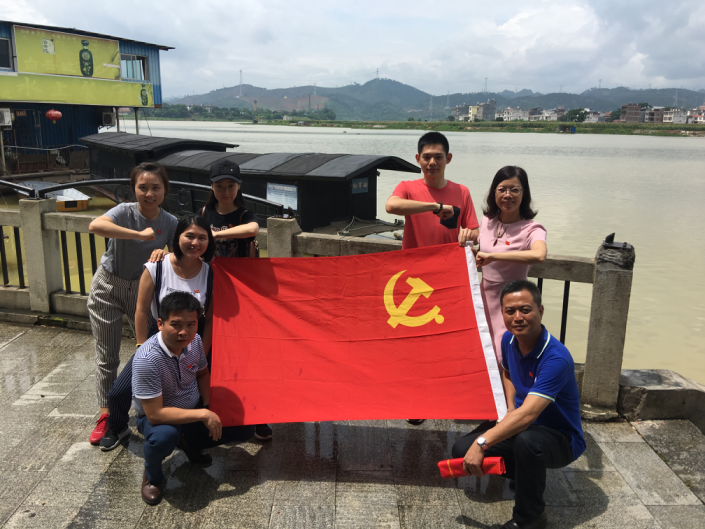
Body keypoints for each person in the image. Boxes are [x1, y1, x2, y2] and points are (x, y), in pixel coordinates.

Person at [451, 280, 585, 529]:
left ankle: (530, 519)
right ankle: (527, 476)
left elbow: (529, 415)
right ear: (502, 313)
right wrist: (510, 408)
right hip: (523, 421)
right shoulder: (508, 340)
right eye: (510, 311)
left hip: (561, 438)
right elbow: (508, 373)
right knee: (461, 450)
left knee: (525, 442)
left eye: (525, 309)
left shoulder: (556, 358)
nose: (518, 317)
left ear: (540, 311)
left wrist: (483, 442)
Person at [385, 131, 480, 425]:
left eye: (438, 157)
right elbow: (391, 206)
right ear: (418, 159)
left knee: (446, 343)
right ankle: (416, 401)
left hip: (448, 279)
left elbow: (474, 230)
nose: (432, 162)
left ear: (448, 159)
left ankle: (446, 396)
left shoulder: (462, 192)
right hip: (412, 279)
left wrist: (469, 234)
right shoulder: (408, 187)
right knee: (414, 344)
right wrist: (435, 207)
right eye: (426, 157)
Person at [99, 215, 215, 451]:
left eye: (202, 238)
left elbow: (211, 318)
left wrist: (201, 352)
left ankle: (191, 435)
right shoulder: (157, 266)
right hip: (159, 335)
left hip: (194, 335)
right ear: (177, 237)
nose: (195, 243)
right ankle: (117, 426)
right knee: (119, 391)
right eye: (189, 236)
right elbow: (141, 311)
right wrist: (142, 346)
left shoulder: (210, 272)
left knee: (203, 388)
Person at [133, 292, 255, 505]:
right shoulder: (147, 359)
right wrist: (204, 414)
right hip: (159, 419)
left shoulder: (196, 341)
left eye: (191, 324)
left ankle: (189, 442)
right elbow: (155, 414)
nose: (184, 332)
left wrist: (209, 406)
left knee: (244, 426)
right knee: (163, 437)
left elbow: (202, 374)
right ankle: (153, 477)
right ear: (160, 324)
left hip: (194, 407)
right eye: (176, 325)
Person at [87, 162, 177, 445]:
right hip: (108, 284)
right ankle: (107, 415)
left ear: (165, 190)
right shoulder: (123, 211)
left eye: (155, 188)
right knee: (107, 354)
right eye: (142, 187)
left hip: (142, 289)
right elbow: (95, 225)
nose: (149, 194)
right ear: (133, 189)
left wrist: (165, 253)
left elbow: (179, 254)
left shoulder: (170, 222)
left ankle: (151, 405)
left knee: (147, 349)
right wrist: (138, 235)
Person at [200, 159, 273, 441]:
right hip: (209, 291)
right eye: (219, 186)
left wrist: (216, 234)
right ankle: (214, 408)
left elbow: (252, 229)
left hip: (241, 294)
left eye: (231, 186)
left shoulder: (244, 214)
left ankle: (257, 415)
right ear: (212, 187)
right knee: (213, 353)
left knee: (246, 355)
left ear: (239, 187)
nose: (225, 191)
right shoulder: (204, 212)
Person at [476, 166, 546, 367]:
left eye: (515, 190)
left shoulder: (532, 228)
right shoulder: (486, 221)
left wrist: (494, 256)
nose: (508, 195)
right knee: (480, 351)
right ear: (494, 192)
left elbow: (539, 255)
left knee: (503, 357)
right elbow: (479, 248)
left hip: (512, 302)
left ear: (524, 194)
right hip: (483, 298)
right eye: (502, 189)